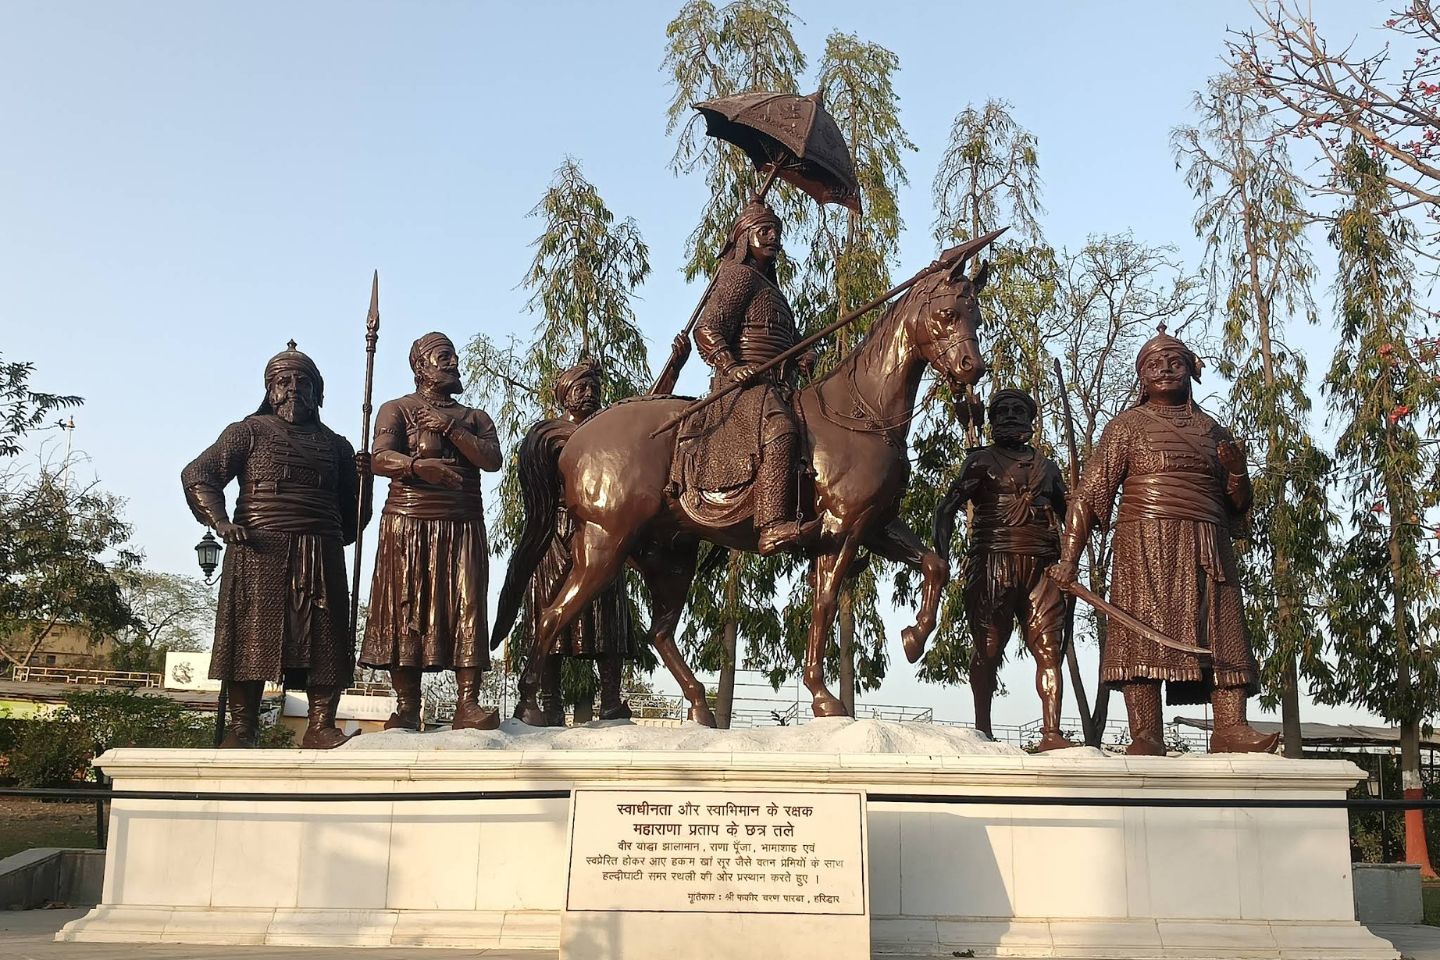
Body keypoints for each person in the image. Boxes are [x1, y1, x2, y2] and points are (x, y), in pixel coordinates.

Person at [1049, 326, 1278, 755]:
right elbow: (1091, 492)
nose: (1166, 370)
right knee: (1143, 631)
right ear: (1141, 376)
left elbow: (1238, 506)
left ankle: (1231, 727)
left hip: (1208, 540)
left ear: (1191, 369)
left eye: (1175, 362)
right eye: (1154, 364)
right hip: (1145, 540)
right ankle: (1146, 734)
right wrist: (1070, 556)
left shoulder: (1214, 431)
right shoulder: (1127, 426)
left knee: (1221, 630)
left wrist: (1237, 471)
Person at [182, 341, 371, 748]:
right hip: (260, 546)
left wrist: (365, 479)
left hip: (322, 549)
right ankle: (242, 728)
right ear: (269, 391)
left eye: (303, 382)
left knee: (327, 637)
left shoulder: (338, 446)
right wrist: (220, 521)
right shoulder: (247, 432)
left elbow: (354, 522)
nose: (292, 389)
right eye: (282, 381)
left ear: (318, 392)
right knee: (252, 636)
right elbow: (198, 475)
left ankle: (320, 725)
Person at [359, 332, 503, 731]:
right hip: (409, 522)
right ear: (421, 365)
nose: (453, 362)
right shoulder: (396, 409)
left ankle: (468, 704)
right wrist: (415, 467)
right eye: (444, 356)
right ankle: (407, 706)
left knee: (467, 605)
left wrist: (451, 428)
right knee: (405, 606)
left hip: (462, 523)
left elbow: (492, 460)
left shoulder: (475, 417)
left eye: (454, 355)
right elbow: (379, 457)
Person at [934, 389, 1075, 752]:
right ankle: (983, 728)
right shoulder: (980, 461)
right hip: (993, 561)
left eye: (1019, 410)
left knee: (1048, 649)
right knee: (988, 647)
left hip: (1043, 567)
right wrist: (942, 557)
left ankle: (1051, 732)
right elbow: (947, 508)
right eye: (1002, 411)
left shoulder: (1048, 467)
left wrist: (1071, 551)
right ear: (992, 421)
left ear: (1031, 420)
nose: (1010, 416)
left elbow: (1072, 516)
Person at [689, 200, 816, 555]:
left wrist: (799, 356)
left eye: (777, 231)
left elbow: (780, 345)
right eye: (765, 230)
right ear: (745, 237)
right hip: (742, 387)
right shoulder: (739, 277)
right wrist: (730, 366)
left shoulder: (772, 290)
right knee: (781, 430)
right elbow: (708, 328)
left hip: (777, 385)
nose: (774, 237)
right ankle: (773, 525)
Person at [527, 359, 638, 725]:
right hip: (557, 530)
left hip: (606, 530)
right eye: (580, 387)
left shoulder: (612, 431)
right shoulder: (548, 435)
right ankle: (549, 701)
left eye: (594, 387)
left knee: (607, 617)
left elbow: (645, 422)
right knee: (554, 610)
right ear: (564, 395)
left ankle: (610, 699)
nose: (589, 393)